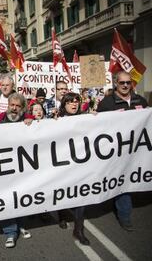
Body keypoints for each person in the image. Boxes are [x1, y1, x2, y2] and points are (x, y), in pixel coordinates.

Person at [97, 71, 148, 231]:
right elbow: (99, 128)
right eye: (122, 83)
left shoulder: (141, 100)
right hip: (116, 151)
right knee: (123, 181)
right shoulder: (106, 103)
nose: (126, 85)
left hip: (137, 149)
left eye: (128, 82)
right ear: (115, 83)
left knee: (133, 178)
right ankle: (124, 216)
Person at [0, 93, 34, 248]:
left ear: (22, 108)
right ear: (8, 105)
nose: (15, 109)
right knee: (7, 200)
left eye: (18, 106)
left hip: (23, 168)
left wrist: (33, 124)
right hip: (4, 168)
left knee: (22, 198)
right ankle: (10, 232)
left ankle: (20, 224)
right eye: (12, 105)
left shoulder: (29, 120)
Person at [57, 92, 90, 245]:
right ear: (64, 104)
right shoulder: (56, 121)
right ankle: (62, 215)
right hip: (62, 165)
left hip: (79, 164)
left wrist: (96, 118)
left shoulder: (85, 118)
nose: (74, 104)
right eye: (70, 102)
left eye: (77, 101)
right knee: (63, 193)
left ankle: (79, 230)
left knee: (81, 196)